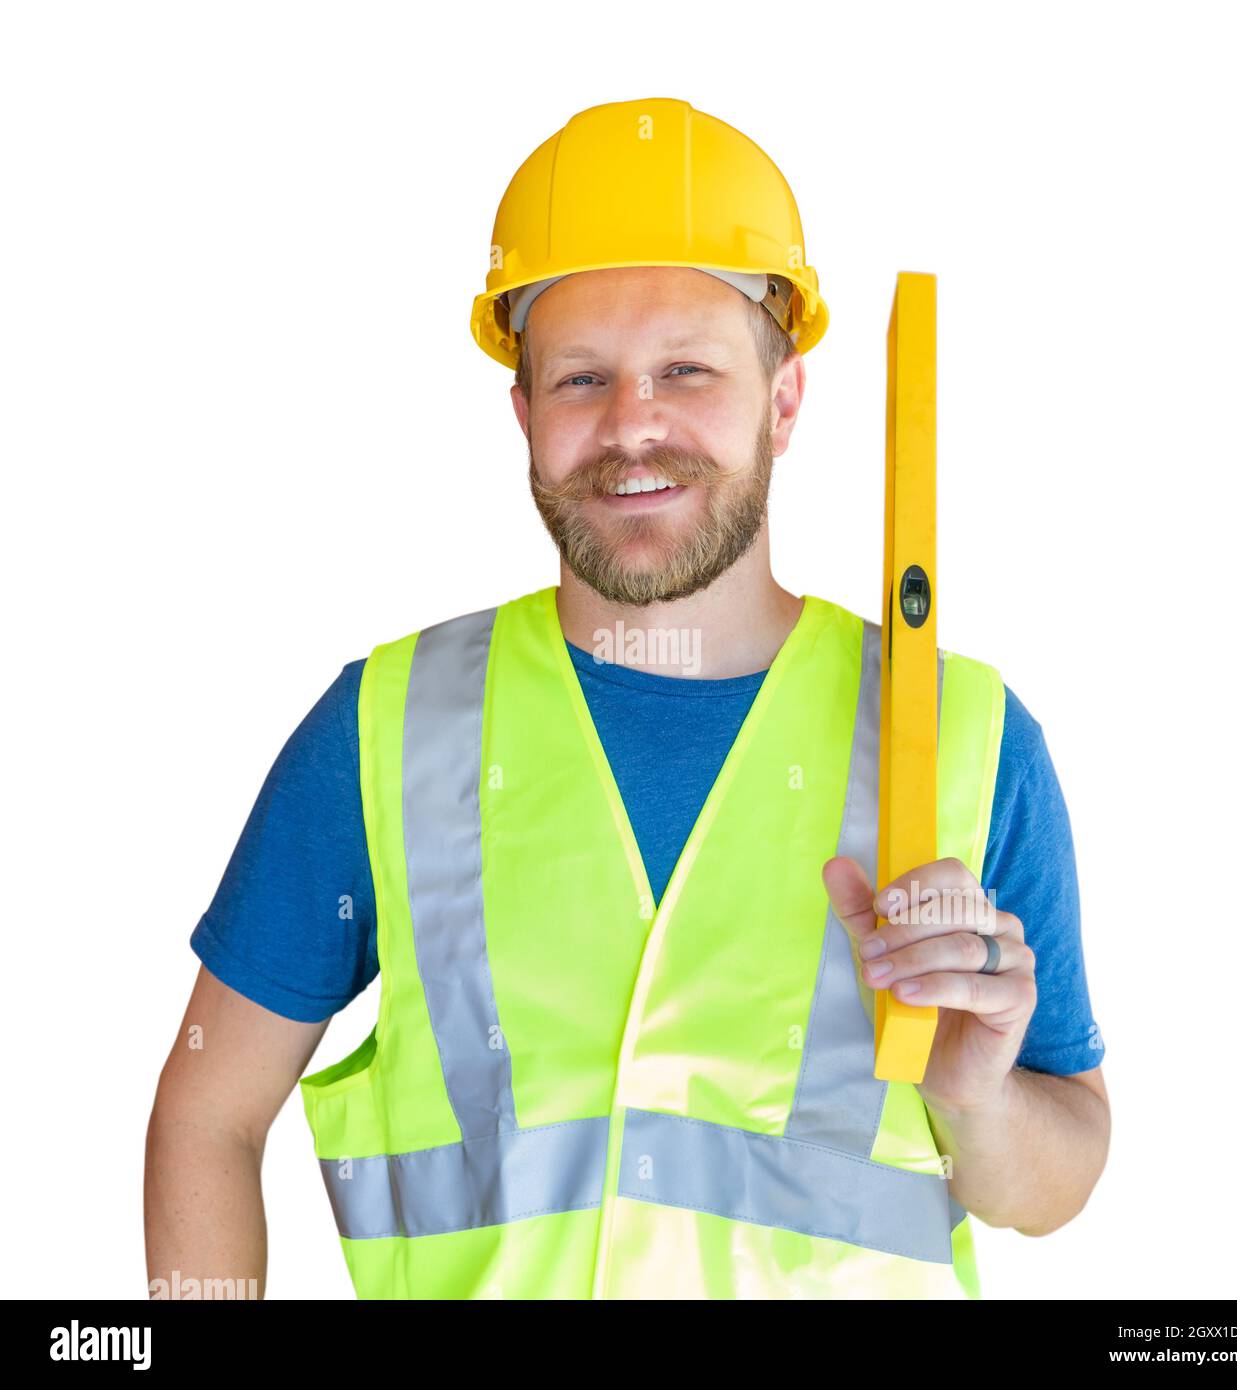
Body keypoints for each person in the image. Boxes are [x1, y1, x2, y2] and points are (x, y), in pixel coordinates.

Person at [145, 97, 1110, 1300]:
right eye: (581, 379)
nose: (631, 426)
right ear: (524, 414)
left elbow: (1055, 1179)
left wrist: (976, 1100)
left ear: (785, 399)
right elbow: (207, 1115)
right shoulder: (386, 731)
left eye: (686, 371)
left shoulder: (965, 742)